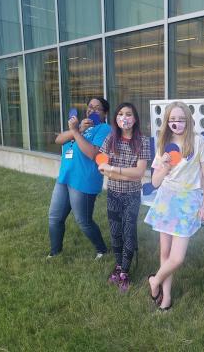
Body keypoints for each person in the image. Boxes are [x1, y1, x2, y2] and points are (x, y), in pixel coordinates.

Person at [145, 101, 204, 311]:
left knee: (177, 258)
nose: (177, 123)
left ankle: (154, 281)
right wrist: (164, 165)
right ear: (167, 121)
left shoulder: (198, 142)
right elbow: (155, 182)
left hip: (188, 200)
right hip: (165, 200)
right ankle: (166, 299)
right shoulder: (164, 144)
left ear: (188, 120)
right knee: (165, 254)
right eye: (172, 119)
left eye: (181, 119)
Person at [47, 97, 111, 259]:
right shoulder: (82, 127)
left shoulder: (104, 129)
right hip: (64, 178)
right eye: (90, 107)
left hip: (84, 181)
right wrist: (79, 129)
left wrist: (76, 132)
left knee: (84, 221)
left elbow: (92, 154)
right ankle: (55, 253)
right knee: (54, 217)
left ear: (105, 113)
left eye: (97, 108)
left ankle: (102, 250)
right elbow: (59, 139)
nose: (92, 110)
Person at [98, 102, 150, 292]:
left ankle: (125, 272)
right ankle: (118, 265)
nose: (124, 118)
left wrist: (114, 170)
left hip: (131, 195)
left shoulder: (142, 142)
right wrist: (113, 172)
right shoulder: (110, 139)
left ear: (135, 119)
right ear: (116, 118)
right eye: (120, 114)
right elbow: (102, 166)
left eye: (128, 114)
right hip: (113, 193)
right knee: (115, 232)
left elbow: (139, 173)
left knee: (129, 232)